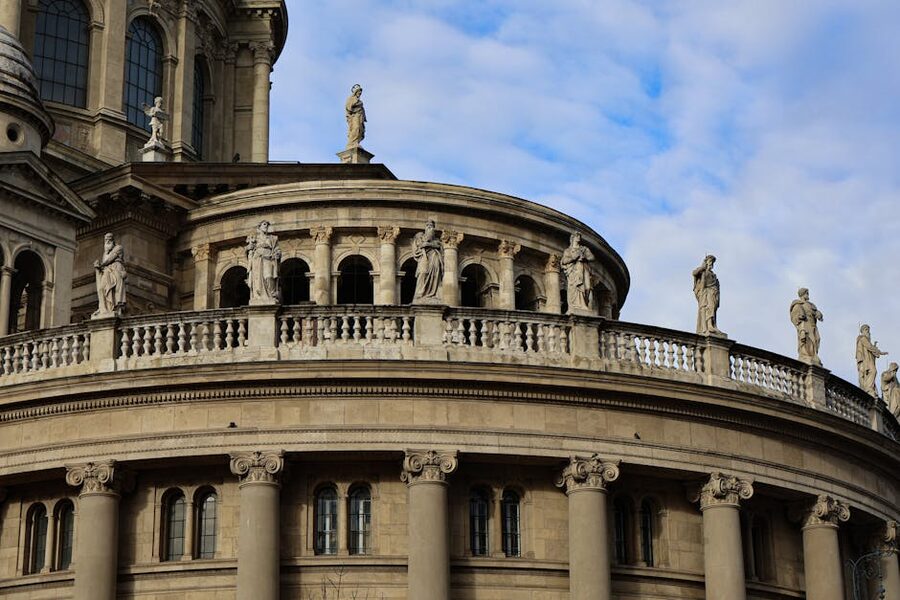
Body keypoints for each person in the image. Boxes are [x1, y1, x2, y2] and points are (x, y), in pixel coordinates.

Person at [246, 221, 282, 304]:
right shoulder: (254, 238)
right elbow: (248, 250)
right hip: (257, 259)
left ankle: (271, 295)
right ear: (259, 227)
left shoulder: (273, 238)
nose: (266, 226)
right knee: (257, 279)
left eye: (267, 225)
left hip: (269, 258)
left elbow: (277, 249)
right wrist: (248, 248)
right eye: (264, 224)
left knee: (269, 276)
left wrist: (277, 253)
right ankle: (258, 296)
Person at [93, 233, 127, 317]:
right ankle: (103, 307)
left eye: (109, 239)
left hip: (116, 269)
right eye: (106, 240)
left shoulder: (118, 248)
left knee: (117, 290)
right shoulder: (106, 252)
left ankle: (115, 307)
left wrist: (100, 265)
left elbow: (110, 258)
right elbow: (106, 261)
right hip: (107, 270)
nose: (107, 241)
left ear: (113, 240)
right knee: (102, 288)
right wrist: (98, 266)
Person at [561, 233, 595, 314]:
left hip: (584, 269)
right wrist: (574, 258)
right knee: (576, 287)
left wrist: (585, 258)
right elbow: (564, 261)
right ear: (572, 238)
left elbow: (592, 257)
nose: (578, 238)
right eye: (577, 236)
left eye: (579, 236)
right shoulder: (568, 251)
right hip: (574, 271)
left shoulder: (584, 249)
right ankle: (576, 305)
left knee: (588, 288)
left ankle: (584, 304)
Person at [789, 287, 823, 365]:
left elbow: (816, 312)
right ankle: (806, 355)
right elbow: (794, 316)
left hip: (813, 325)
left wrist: (819, 314)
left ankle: (814, 355)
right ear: (803, 294)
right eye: (807, 293)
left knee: (817, 339)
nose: (808, 295)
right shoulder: (797, 304)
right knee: (807, 340)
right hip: (805, 325)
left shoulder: (811, 305)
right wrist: (799, 317)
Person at [413, 220, 444, 303]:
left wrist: (429, 244)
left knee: (435, 275)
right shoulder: (420, 238)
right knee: (422, 273)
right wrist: (423, 245)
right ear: (425, 228)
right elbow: (416, 250)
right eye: (428, 226)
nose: (429, 227)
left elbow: (440, 248)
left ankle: (432, 294)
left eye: (431, 226)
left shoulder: (437, 241)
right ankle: (420, 293)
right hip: (424, 258)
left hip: (434, 257)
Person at [693, 255, 722, 336]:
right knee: (709, 307)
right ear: (706, 263)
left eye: (712, 263)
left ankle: (712, 325)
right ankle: (708, 326)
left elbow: (716, 285)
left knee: (712, 308)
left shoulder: (713, 275)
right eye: (710, 262)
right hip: (705, 293)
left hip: (713, 293)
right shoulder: (702, 272)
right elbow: (694, 273)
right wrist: (702, 267)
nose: (711, 264)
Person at [856, 324, 888, 396]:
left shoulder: (866, 340)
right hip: (865, 360)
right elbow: (869, 347)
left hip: (868, 359)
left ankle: (868, 387)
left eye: (868, 330)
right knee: (873, 371)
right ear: (862, 331)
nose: (868, 332)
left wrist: (875, 348)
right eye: (866, 330)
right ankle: (868, 388)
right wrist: (879, 352)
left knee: (870, 373)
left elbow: (870, 348)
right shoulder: (862, 338)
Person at [345, 84, 366, 149]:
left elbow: (362, 109)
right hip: (354, 116)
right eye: (359, 91)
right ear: (356, 92)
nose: (360, 93)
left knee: (360, 129)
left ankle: (356, 142)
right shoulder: (351, 99)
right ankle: (352, 143)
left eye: (360, 92)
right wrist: (356, 105)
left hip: (360, 116)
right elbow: (348, 107)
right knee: (356, 128)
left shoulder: (359, 101)